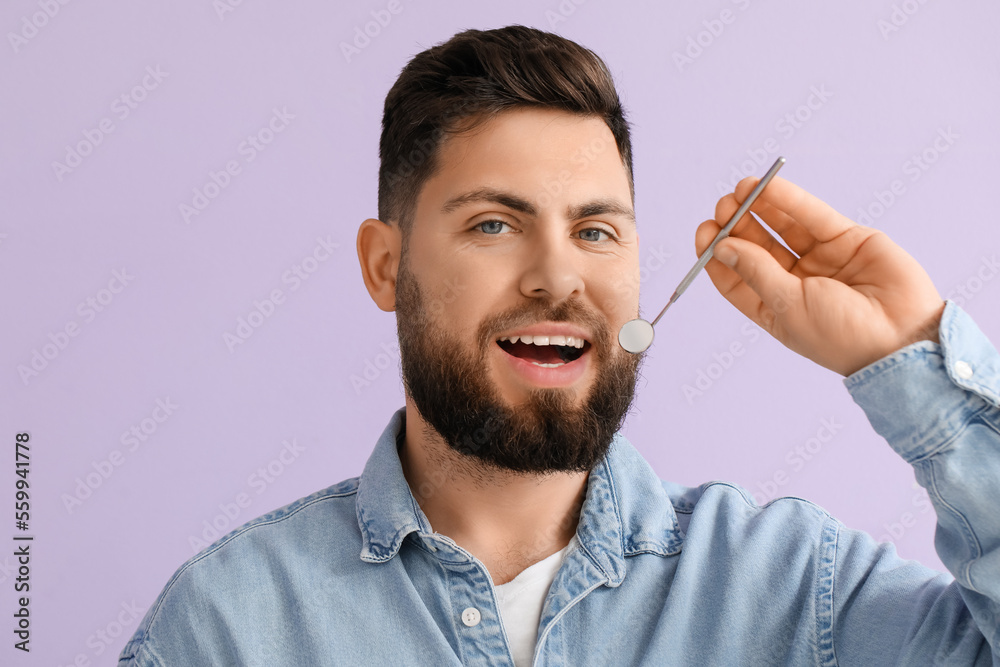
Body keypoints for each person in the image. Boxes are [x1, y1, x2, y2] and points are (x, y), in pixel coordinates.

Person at [118, 25, 999, 666]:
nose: (556, 277)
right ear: (386, 267)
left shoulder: (798, 590)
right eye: (496, 224)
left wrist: (918, 366)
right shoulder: (227, 627)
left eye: (596, 231)